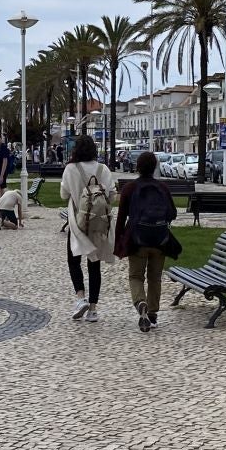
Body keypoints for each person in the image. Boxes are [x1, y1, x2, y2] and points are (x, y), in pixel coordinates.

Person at [116, 150, 179, 332]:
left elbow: (121, 218)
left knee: (136, 276)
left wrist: (119, 241)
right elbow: (172, 213)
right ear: (155, 167)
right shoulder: (162, 188)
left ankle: (140, 302)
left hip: (137, 240)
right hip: (159, 239)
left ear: (137, 167)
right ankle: (152, 314)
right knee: (155, 277)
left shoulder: (129, 188)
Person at [59, 135, 117, 322]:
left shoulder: (70, 169)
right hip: (98, 222)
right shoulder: (103, 169)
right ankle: (93, 309)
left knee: (73, 260)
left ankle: (80, 297)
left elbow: (63, 194)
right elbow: (112, 196)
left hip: (78, 221)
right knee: (94, 264)